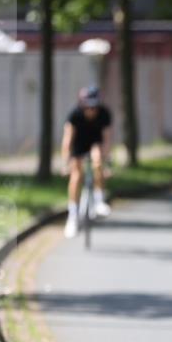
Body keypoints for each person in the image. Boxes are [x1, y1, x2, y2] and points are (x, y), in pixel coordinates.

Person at [62, 86, 112, 238]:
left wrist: (107, 163)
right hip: (79, 144)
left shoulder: (104, 114)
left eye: (94, 106)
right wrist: (66, 163)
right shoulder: (74, 115)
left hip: (95, 142)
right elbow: (67, 140)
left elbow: (107, 140)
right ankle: (72, 216)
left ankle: (99, 200)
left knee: (97, 161)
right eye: (88, 106)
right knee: (76, 175)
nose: (91, 110)